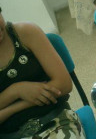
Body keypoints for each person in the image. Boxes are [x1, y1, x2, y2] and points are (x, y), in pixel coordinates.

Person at [0, 7, 85, 138]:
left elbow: (64, 84)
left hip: (54, 120)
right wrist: (16, 91)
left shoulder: (26, 32)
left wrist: (19, 102)